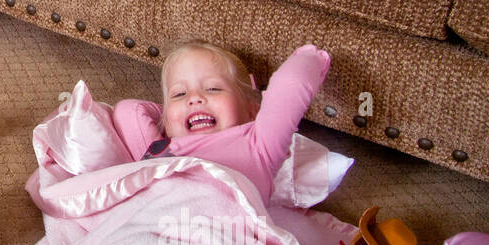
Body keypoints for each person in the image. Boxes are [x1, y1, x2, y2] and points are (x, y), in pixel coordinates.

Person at [114, 38, 329, 205]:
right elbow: (128, 110)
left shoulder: (258, 145)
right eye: (179, 94)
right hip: (148, 224)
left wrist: (314, 55)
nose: (194, 98)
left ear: (252, 112)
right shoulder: (156, 150)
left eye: (213, 89)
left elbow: (292, 83)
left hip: (217, 235)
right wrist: (168, 116)